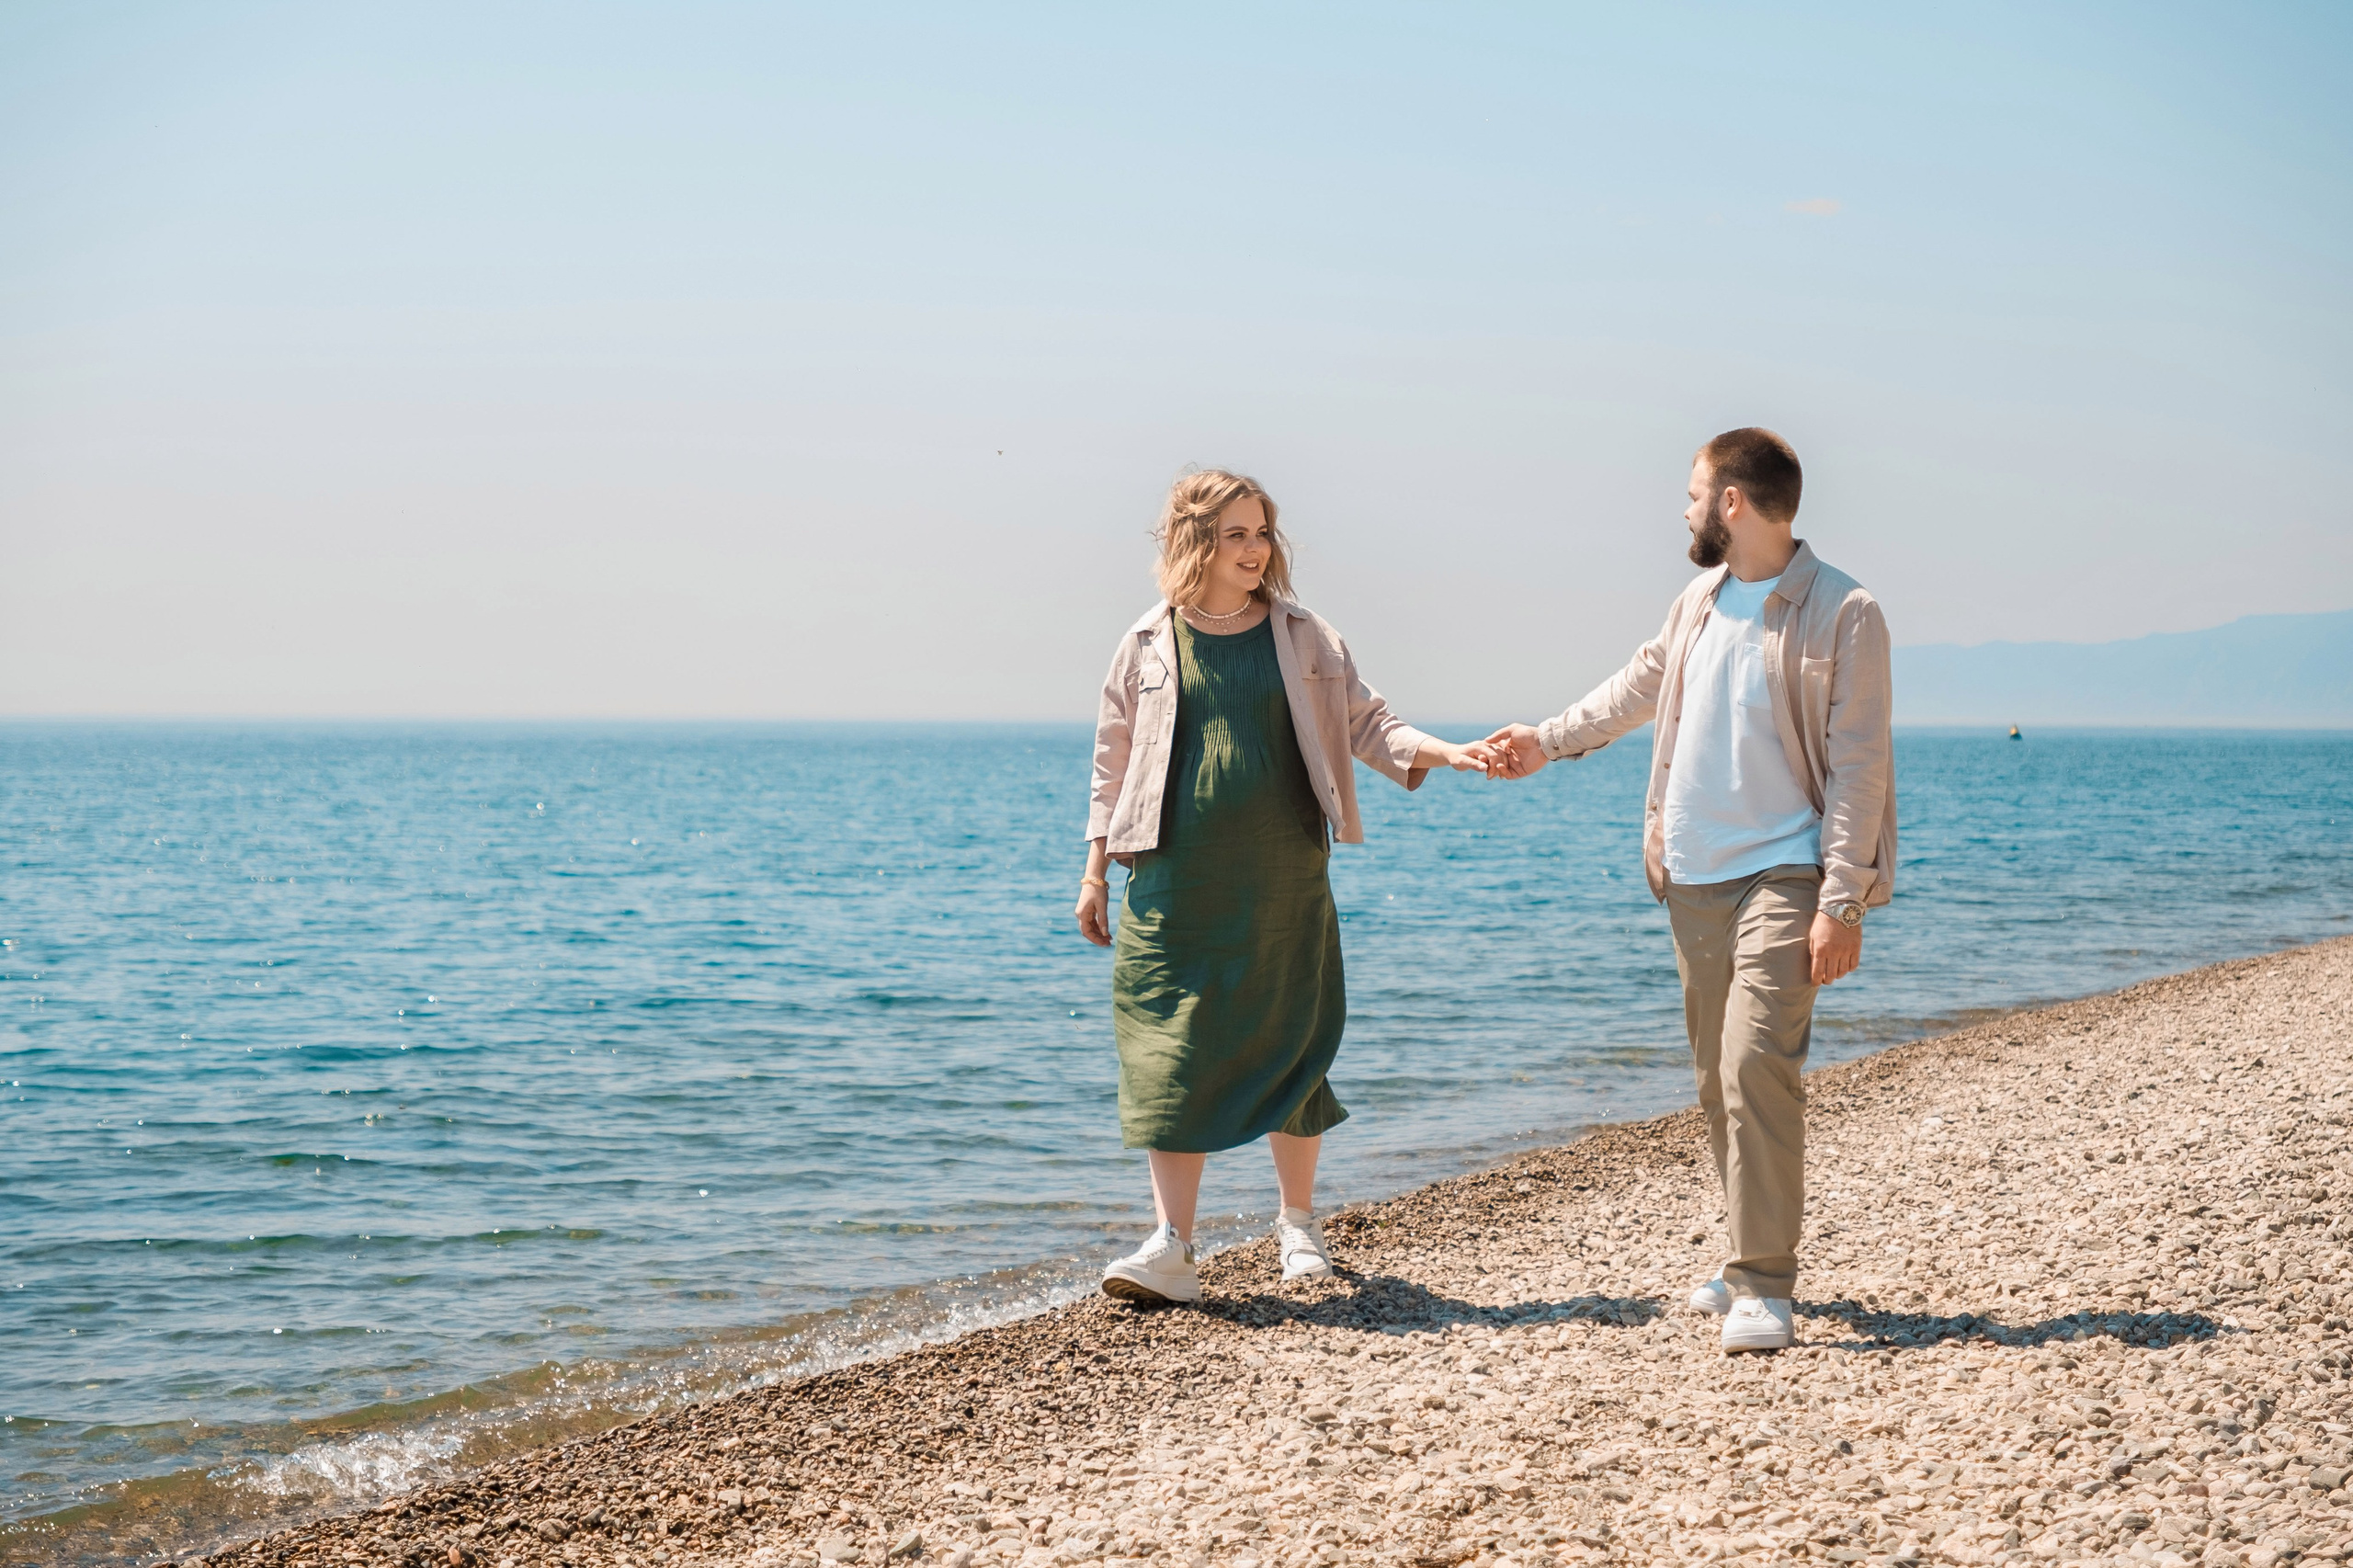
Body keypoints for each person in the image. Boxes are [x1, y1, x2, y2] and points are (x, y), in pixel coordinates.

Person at [1477, 428, 1896, 1354]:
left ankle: (1764, 1283)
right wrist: (1546, 740)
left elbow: (1861, 765)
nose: (1684, 509)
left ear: (1732, 502)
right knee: (1716, 1080)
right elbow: (1635, 687)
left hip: (1785, 871)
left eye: (1694, 493)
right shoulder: (1697, 602)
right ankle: (1746, 1253)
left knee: (1756, 1064)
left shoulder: (1843, 610)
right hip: (1693, 875)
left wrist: (1842, 900)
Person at [1076, 469, 1490, 1305]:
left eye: (1262, 532)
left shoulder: (1305, 636)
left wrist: (1448, 753)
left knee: (1291, 1040)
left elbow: (1368, 722)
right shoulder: (1146, 642)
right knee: (1167, 1049)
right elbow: (1111, 763)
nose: (1256, 549)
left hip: (1283, 875)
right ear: (1195, 542)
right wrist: (1093, 872)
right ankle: (1172, 1247)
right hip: (1172, 879)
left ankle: (1298, 1225)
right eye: (1236, 534)